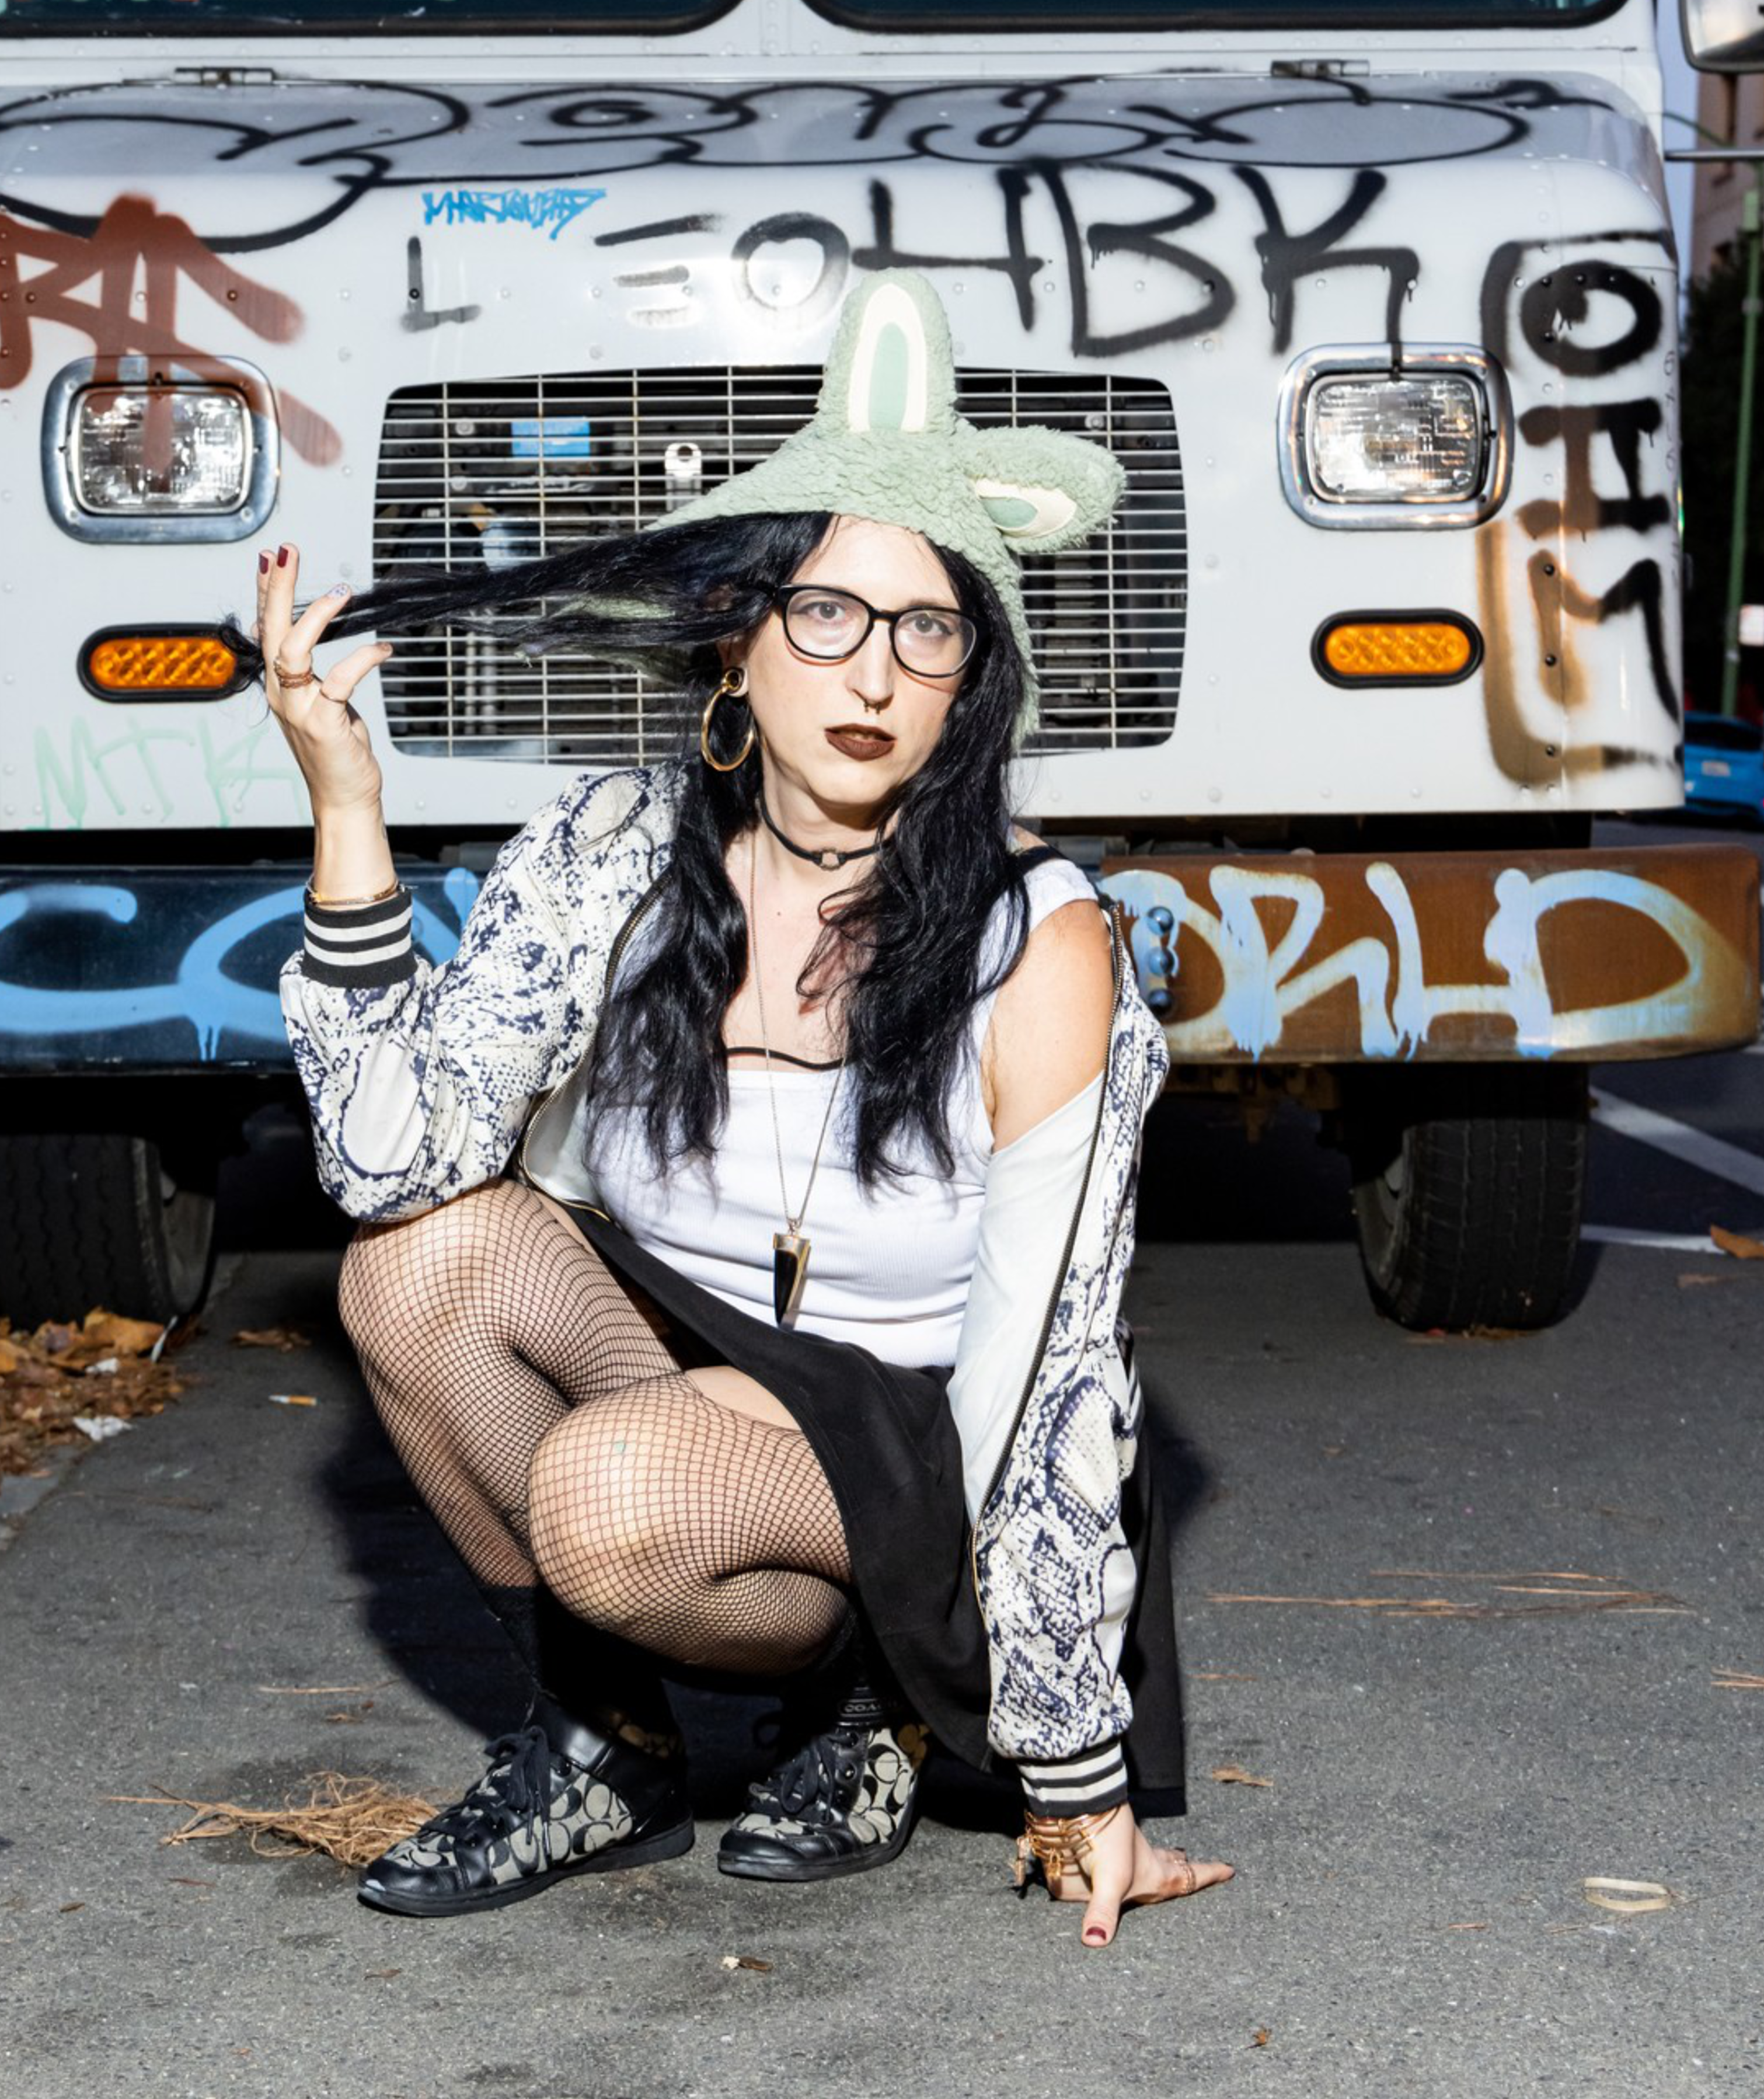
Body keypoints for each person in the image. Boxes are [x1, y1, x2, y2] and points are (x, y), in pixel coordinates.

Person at [253, 273, 1228, 1951]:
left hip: (933, 1444)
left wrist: (1077, 1771)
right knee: (409, 1270)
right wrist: (349, 809)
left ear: (967, 680)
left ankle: (872, 1700)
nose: (876, 671)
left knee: (609, 1498)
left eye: (929, 628)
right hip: (709, 1370)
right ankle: (604, 1747)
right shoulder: (615, 852)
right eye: (827, 614)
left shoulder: (1033, 936)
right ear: (736, 636)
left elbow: (1049, 1361)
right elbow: (381, 1157)